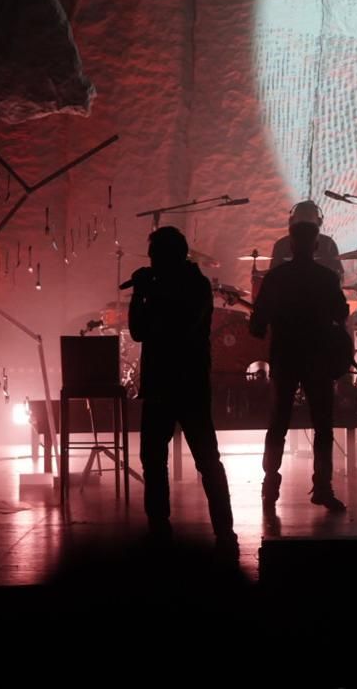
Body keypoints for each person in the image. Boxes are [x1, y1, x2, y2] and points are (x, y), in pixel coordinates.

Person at [126, 226, 236, 551]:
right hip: (166, 383)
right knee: (154, 459)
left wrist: (149, 294)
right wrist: (139, 295)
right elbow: (137, 331)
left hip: (186, 384)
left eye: (154, 257)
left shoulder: (196, 286)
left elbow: (179, 325)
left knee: (206, 459)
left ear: (167, 256)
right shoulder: (164, 286)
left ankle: (224, 529)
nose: (151, 263)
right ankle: (160, 526)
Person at [250, 219, 351, 514]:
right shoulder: (326, 278)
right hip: (317, 358)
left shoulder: (276, 278)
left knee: (278, 422)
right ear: (316, 245)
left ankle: (270, 485)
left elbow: (257, 326)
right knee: (323, 426)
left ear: (291, 245)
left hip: (285, 357)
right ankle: (322, 488)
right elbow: (341, 313)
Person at [268, 200, 344, 282]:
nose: (304, 225)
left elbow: (339, 274)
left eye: (308, 218)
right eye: (302, 219)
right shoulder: (281, 245)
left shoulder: (329, 244)